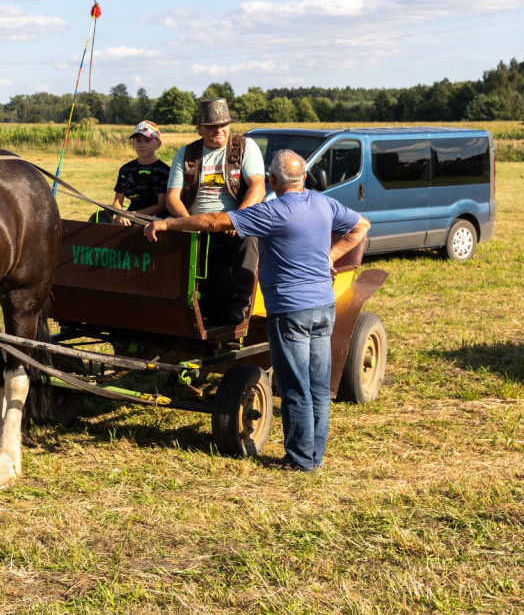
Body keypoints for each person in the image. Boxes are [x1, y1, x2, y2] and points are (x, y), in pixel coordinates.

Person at [145, 149, 371, 472]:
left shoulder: (272, 211)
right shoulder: (323, 203)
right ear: (304, 178)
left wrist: (169, 225)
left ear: (273, 180)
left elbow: (214, 221)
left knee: (294, 387)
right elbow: (362, 225)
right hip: (323, 306)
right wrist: (331, 257)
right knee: (317, 384)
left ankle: (299, 460)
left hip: (290, 311)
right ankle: (314, 456)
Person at [165, 98, 266, 323]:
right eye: (211, 126)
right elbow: (173, 197)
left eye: (223, 125)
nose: (218, 130)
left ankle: (238, 304)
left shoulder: (245, 147)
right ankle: (176, 303)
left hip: (234, 220)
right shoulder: (185, 153)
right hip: (196, 221)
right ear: (200, 129)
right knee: (166, 237)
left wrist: (237, 218)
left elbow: (258, 187)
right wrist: (187, 221)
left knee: (249, 237)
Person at [109, 120, 170, 226]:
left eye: (147, 140)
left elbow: (161, 205)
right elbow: (117, 201)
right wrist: (120, 214)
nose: (142, 145)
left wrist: (133, 215)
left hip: (156, 218)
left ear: (158, 144)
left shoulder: (164, 171)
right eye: (138, 140)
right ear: (133, 144)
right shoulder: (125, 170)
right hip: (130, 215)